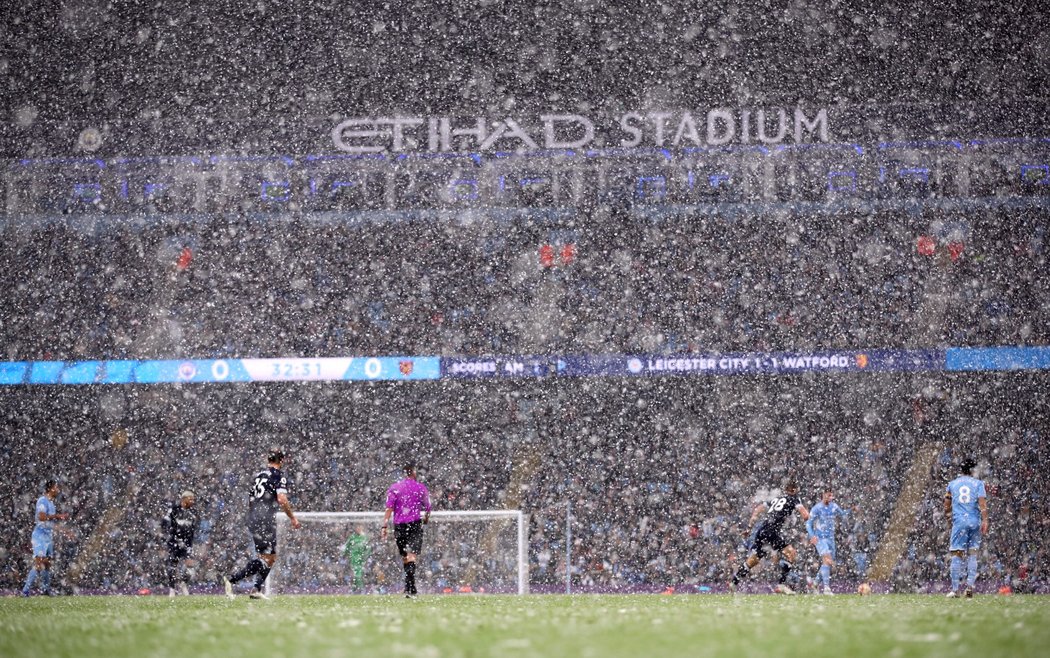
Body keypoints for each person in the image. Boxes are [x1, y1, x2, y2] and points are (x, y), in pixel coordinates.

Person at [225, 449, 301, 600]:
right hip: (265, 518)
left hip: (254, 517)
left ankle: (255, 589)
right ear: (282, 460)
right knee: (267, 559)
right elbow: (282, 499)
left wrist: (255, 515)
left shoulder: (259, 476)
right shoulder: (278, 475)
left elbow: (250, 499)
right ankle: (231, 579)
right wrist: (292, 518)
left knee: (269, 558)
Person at [731, 481, 810, 594]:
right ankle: (781, 584)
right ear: (794, 490)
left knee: (753, 560)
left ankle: (734, 582)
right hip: (772, 531)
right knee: (791, 553)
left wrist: (749, 528)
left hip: (762, 530)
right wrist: (811, 516)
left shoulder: (776, 499)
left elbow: (757, 510)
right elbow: (806, 516)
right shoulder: (794, 499)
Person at [381, 463, 431, 599]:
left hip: (399, 525)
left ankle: (409, 587)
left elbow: (389, 508)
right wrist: (426, 519)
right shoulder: (420, 488)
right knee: (411, 556)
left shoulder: (395, 488)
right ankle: (411, 587)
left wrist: (384, 526)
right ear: (414, 473)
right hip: (415, 524)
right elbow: (428, 507)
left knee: (405, 556)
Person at [945, 457, 988, 598]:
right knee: (973, 554)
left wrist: (949, 517)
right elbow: (982, 504)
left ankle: (955, 589)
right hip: (974, 521)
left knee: (957, 554)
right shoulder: (978, 484)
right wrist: (985, 520)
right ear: (972, 470)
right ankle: (969, 587)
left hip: (959, 522)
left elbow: (946, 505)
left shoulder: (952, 484)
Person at [21, 480, 69, 597]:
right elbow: (42, 518)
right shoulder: (42, 501)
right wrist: (57, 516)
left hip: (48, 536)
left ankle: (46, 590)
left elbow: (49, 522)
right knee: (39, 563)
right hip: (39, 536)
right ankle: (25, 591)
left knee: (47, 564)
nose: (58, 490)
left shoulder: (51, 503)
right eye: (56, 487)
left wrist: (64, 531)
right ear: (50, 488)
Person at [806, 486, 850, 595]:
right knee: (827, 560)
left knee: (828, 563)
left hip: (831, 538)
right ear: (823, 495)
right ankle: (826, 588)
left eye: (831, 495)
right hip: (820, 538)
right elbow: (808, 523)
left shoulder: (834, 506)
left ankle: (815, 584)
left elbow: (843, 513)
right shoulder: (816, 508)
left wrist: (852, 510)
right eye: (828, 494)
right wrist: (812, 536)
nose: (830, 497)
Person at [163, 491, 200, 597]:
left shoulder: (193, 512)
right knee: (173, 567)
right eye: (190, 499)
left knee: (191, 569)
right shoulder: (174, 509)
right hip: (174, 543)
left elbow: (192, 531)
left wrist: (189, 545)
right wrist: (175, 537)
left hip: (186, 544)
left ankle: (183, 584)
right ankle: (172, 589)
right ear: (183, 499)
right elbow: (165, 524)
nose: (192, 501)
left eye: (193, 499)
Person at [342, 525, 372, 591]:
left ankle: (357, 587)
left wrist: (365, 556)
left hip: (362, 557)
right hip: (354, 557)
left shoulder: (364, 537)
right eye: (357, 527)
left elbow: (368, 548)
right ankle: (358, 587)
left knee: (358, 572)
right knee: (357, 572)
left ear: (362, 528)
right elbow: (347, 546)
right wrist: (344, 554)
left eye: (360, 527)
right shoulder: (352, 537)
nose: (358, 528)